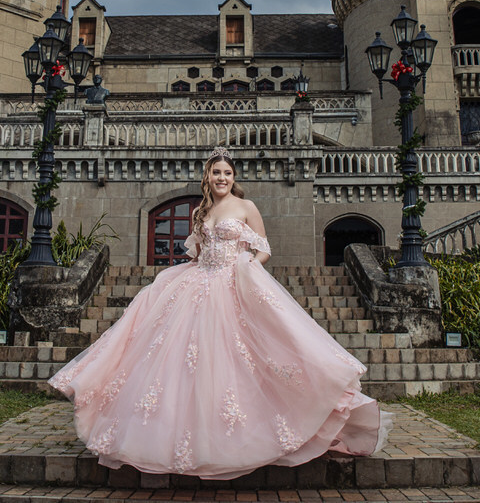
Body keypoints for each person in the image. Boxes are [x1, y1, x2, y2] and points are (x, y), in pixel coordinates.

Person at [49, 146, 390, 479]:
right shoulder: (202, 213)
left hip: (234, 284)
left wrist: (249, 270)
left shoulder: (246, 206)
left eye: (227, 173)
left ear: (234, 176)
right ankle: (187, 437)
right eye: (216, 172)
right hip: (199, 287)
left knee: (243, 357)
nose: (222, 178)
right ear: (207, 177)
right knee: (185, 361)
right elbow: (198, 253)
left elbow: (264, 247)